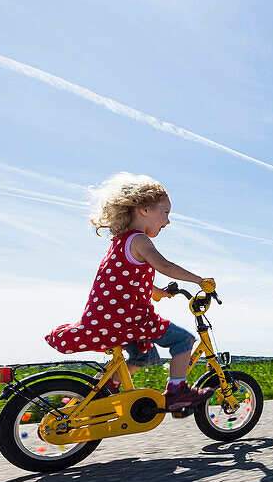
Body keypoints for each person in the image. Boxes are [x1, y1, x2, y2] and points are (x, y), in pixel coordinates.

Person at [46, 173, 216, 410]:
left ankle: (102, 390)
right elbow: (164, 266)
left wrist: (156, 291)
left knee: (144, 356)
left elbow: (125, 282)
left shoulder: (120, 242)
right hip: (129, 319)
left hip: (108, 316)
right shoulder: (140, 240)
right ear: (144, 209)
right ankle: (177, 392)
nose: (167, 221)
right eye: (165, 213)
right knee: (183, 340)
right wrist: (199, 280)